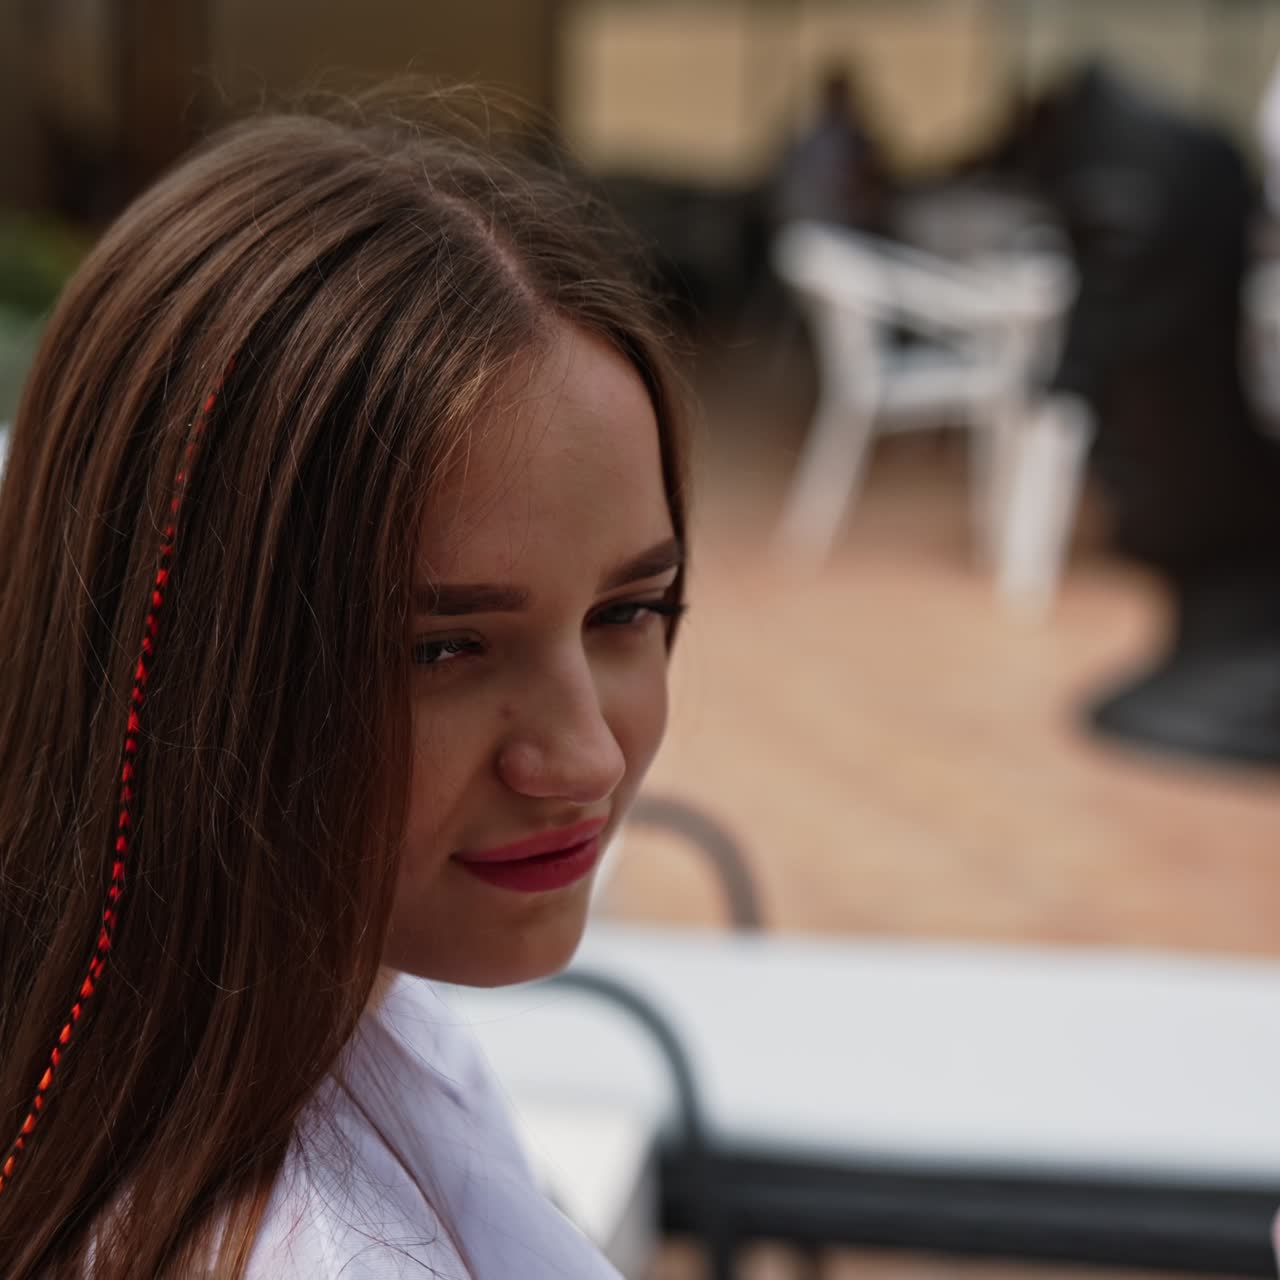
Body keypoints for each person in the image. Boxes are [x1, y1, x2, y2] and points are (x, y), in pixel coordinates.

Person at [0, 91, 689, 1278]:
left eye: (627, 611)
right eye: (441, 649)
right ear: (186, 668)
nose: (586, 758)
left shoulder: (332, 1033)